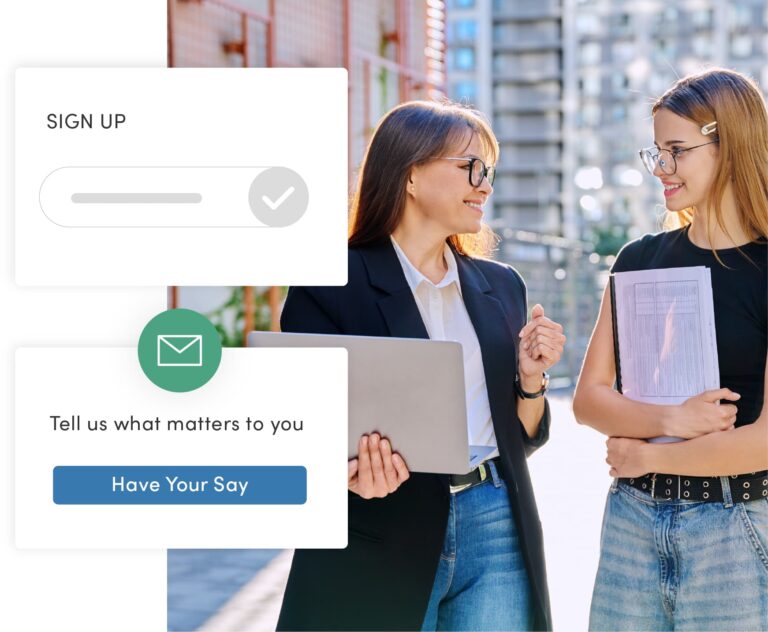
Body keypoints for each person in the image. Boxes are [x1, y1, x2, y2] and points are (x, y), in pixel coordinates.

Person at [275, 100, 565, 631]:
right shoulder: (331, 282)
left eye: (489, 171)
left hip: (496, 523)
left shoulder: (502, 287)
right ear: (410, 175)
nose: (484, 185)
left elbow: (519, 439)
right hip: (381, 528)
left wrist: (530, 379)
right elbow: (294, 427)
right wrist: (347, 477)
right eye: (470, 167)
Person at [573, 68, 768, 631]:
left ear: (729, 145)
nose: (662, 168)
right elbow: (589, 400)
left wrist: (652, 456)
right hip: (631, 524)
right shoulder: (638, 259)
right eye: (657, 152)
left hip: (734, 531)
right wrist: (670, 421)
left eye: (677, 151)